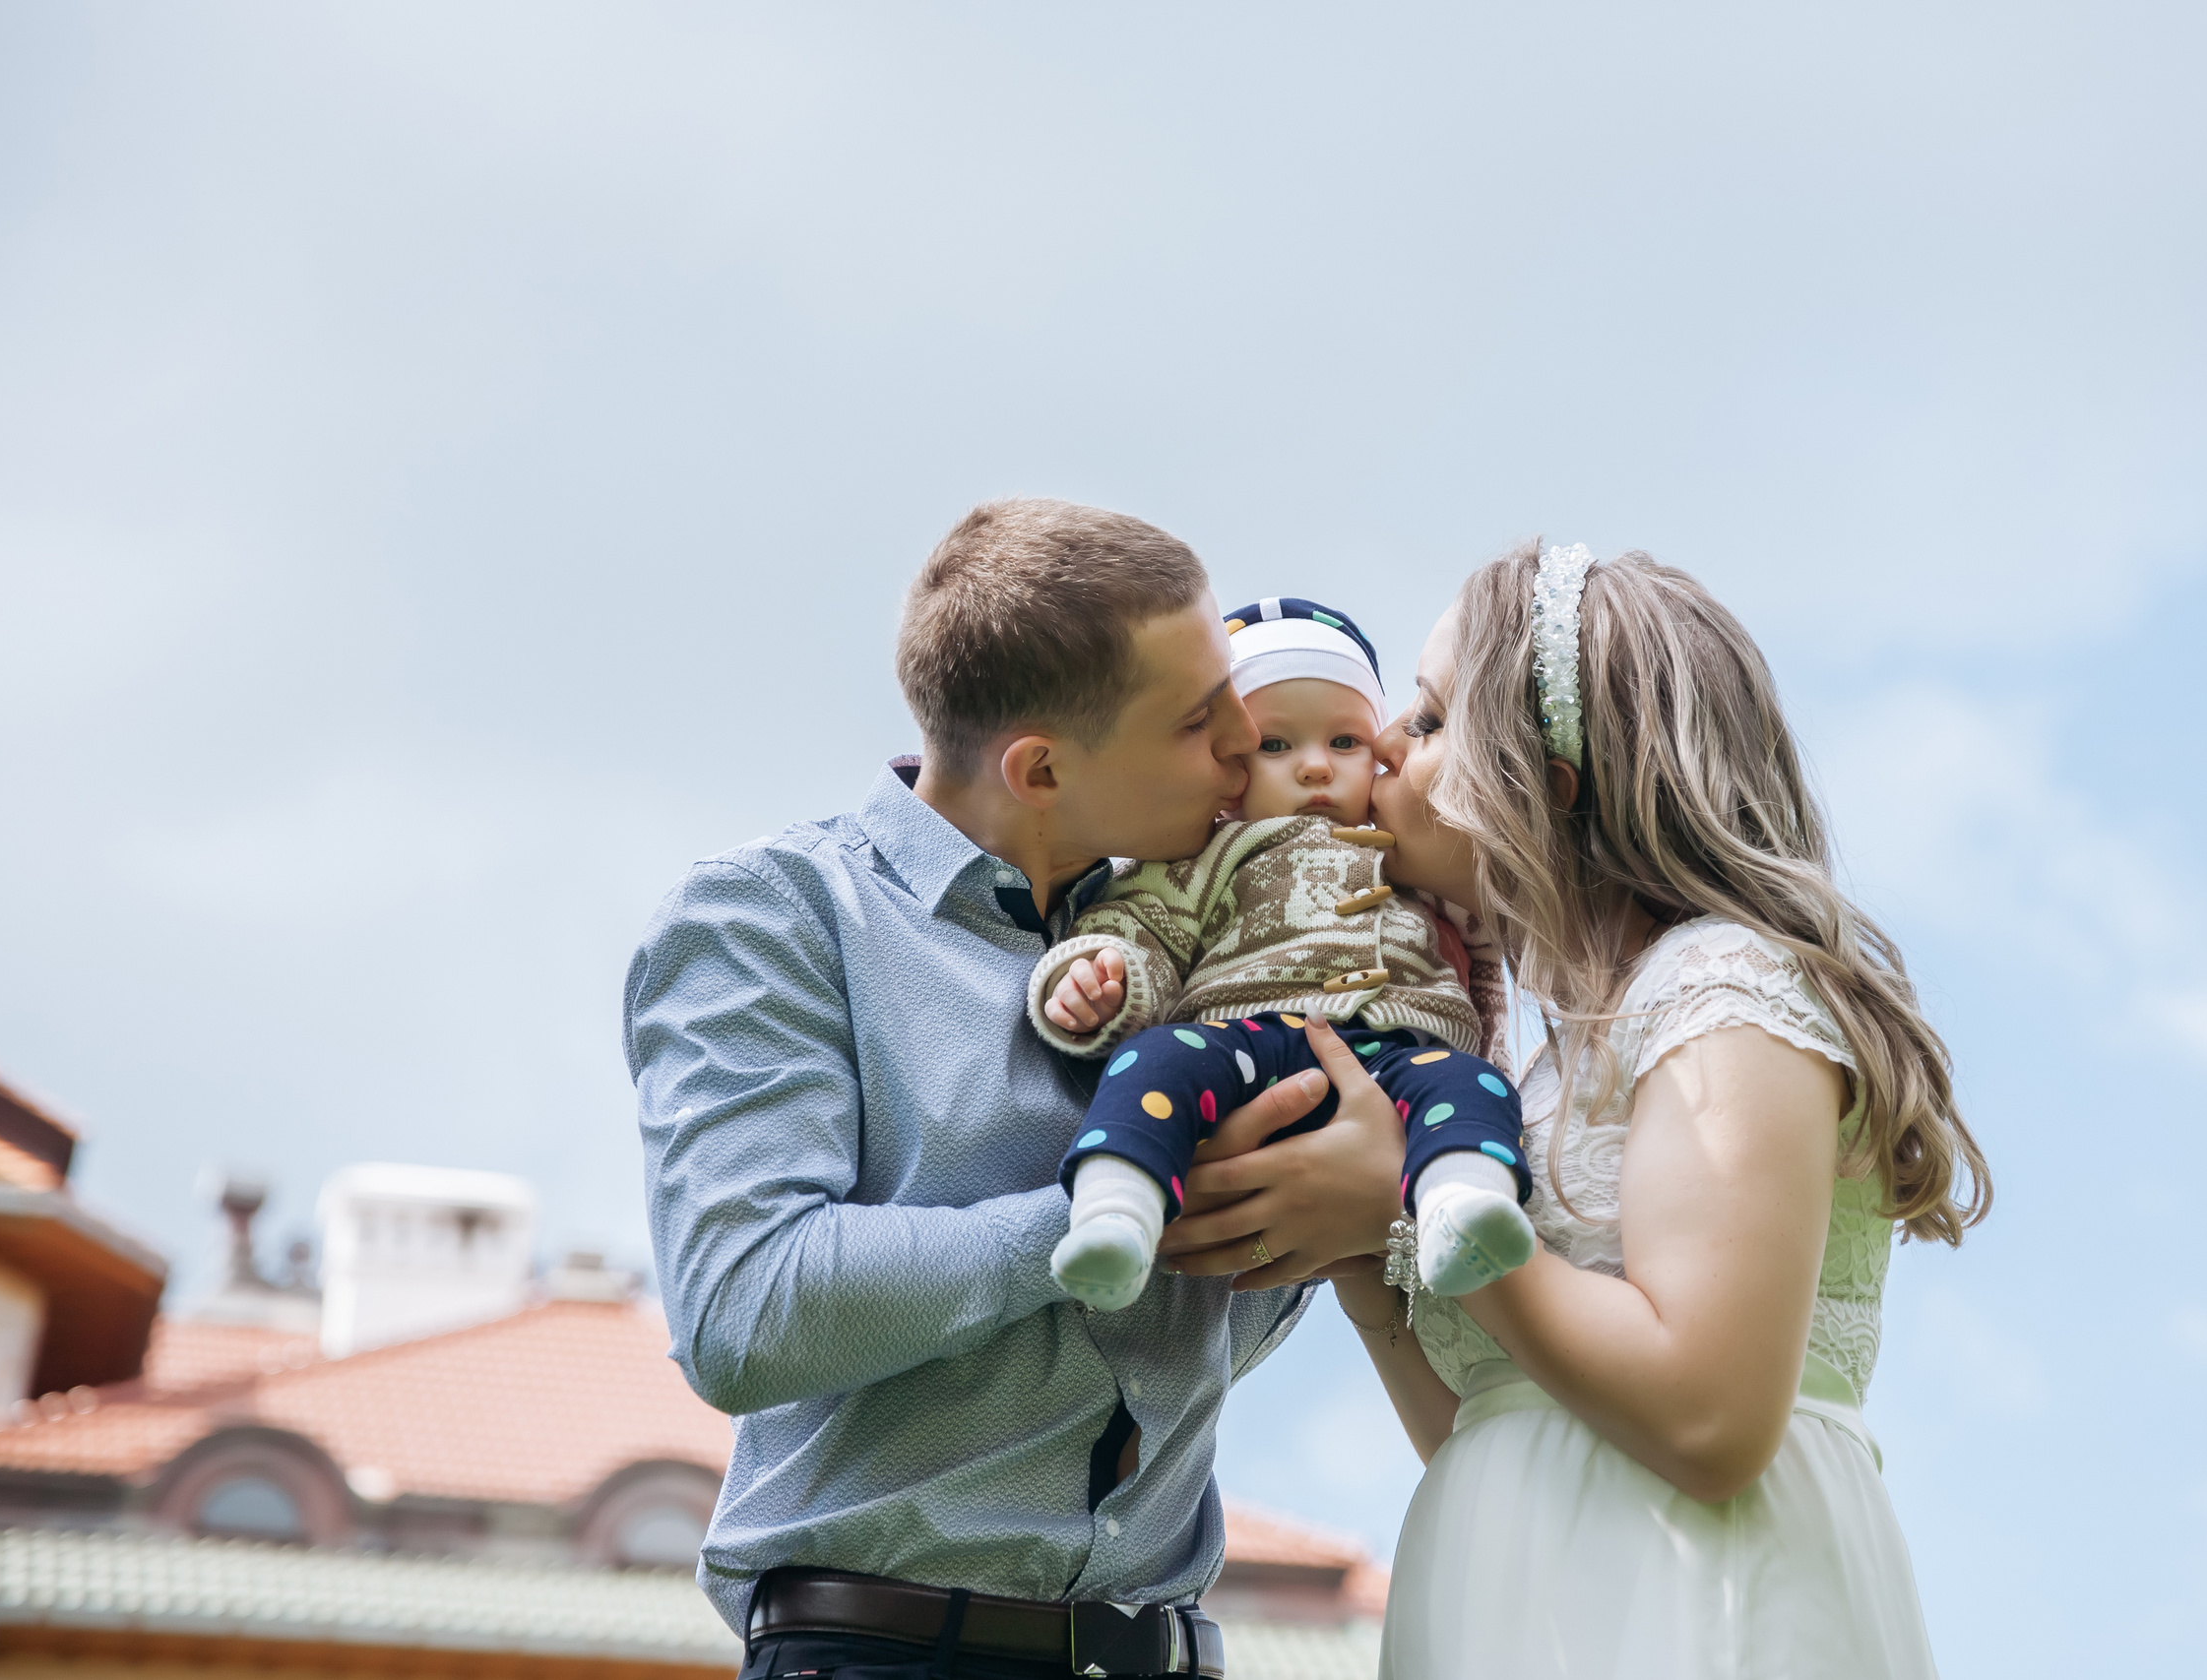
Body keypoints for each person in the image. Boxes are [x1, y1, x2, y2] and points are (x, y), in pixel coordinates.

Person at [1165, 541, 1989, 1677]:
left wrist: (1399, 1214)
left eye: (1433, 715)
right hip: (1511, 1602)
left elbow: (1708, 1420)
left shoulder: (1722, 991)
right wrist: (1367, 1261)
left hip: (1689, 1608)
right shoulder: (1546, 1066)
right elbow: (1487, 1422)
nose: (1385, 745)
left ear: (1548, 785)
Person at [624, 500, 1395, 1680]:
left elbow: (1189, 1338)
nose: (1250, 747)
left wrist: (1333, 1205)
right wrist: (1107, 1210)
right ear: (1040, 768)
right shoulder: (776, 917)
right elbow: (744, 1311)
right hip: (886, 1654)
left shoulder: (1202, 933)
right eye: (1202, 722)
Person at [1031, 597, 1533, 1314]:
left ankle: (1460, 1209)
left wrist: (1490, 1059)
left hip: (1399, 1055)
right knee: (1156, 1060)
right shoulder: (1212, 853)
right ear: (1230, 767)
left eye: (1345, 742)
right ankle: (1115, 1213)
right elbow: (1137, 925)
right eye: (1276, 746)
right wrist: (1099, 982)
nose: (1314, 769)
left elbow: (1483, 973)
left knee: (1474, 1088)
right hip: (1247, 1041)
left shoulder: (1412, 856)